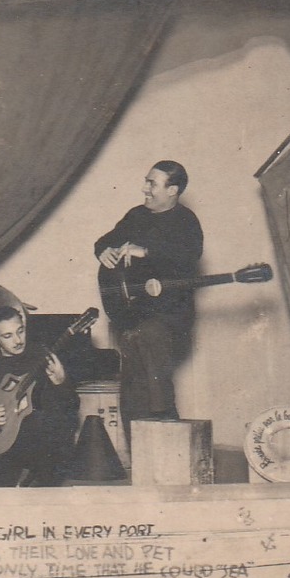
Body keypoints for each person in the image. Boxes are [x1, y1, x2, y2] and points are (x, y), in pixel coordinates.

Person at [93, 160, 204, 423]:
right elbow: (104, 241)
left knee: (154, 379)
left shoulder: (186, 221)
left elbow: (188, 257)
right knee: (133, 388)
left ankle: (166, 426)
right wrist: (103, 251)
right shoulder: (136, 215)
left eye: (152, 184)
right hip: (134, 316)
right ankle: (143, 448)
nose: (145, 188)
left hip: (168, 318)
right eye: (146, 181)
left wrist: (146, 251)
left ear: (172, 190)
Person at [0, 305, 79, 486]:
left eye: (20, 331)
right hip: (9, 444)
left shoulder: (42, 357)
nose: (17, 340)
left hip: (43, 442)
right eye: (7, 336)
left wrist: (61, 383)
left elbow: (72, 407)